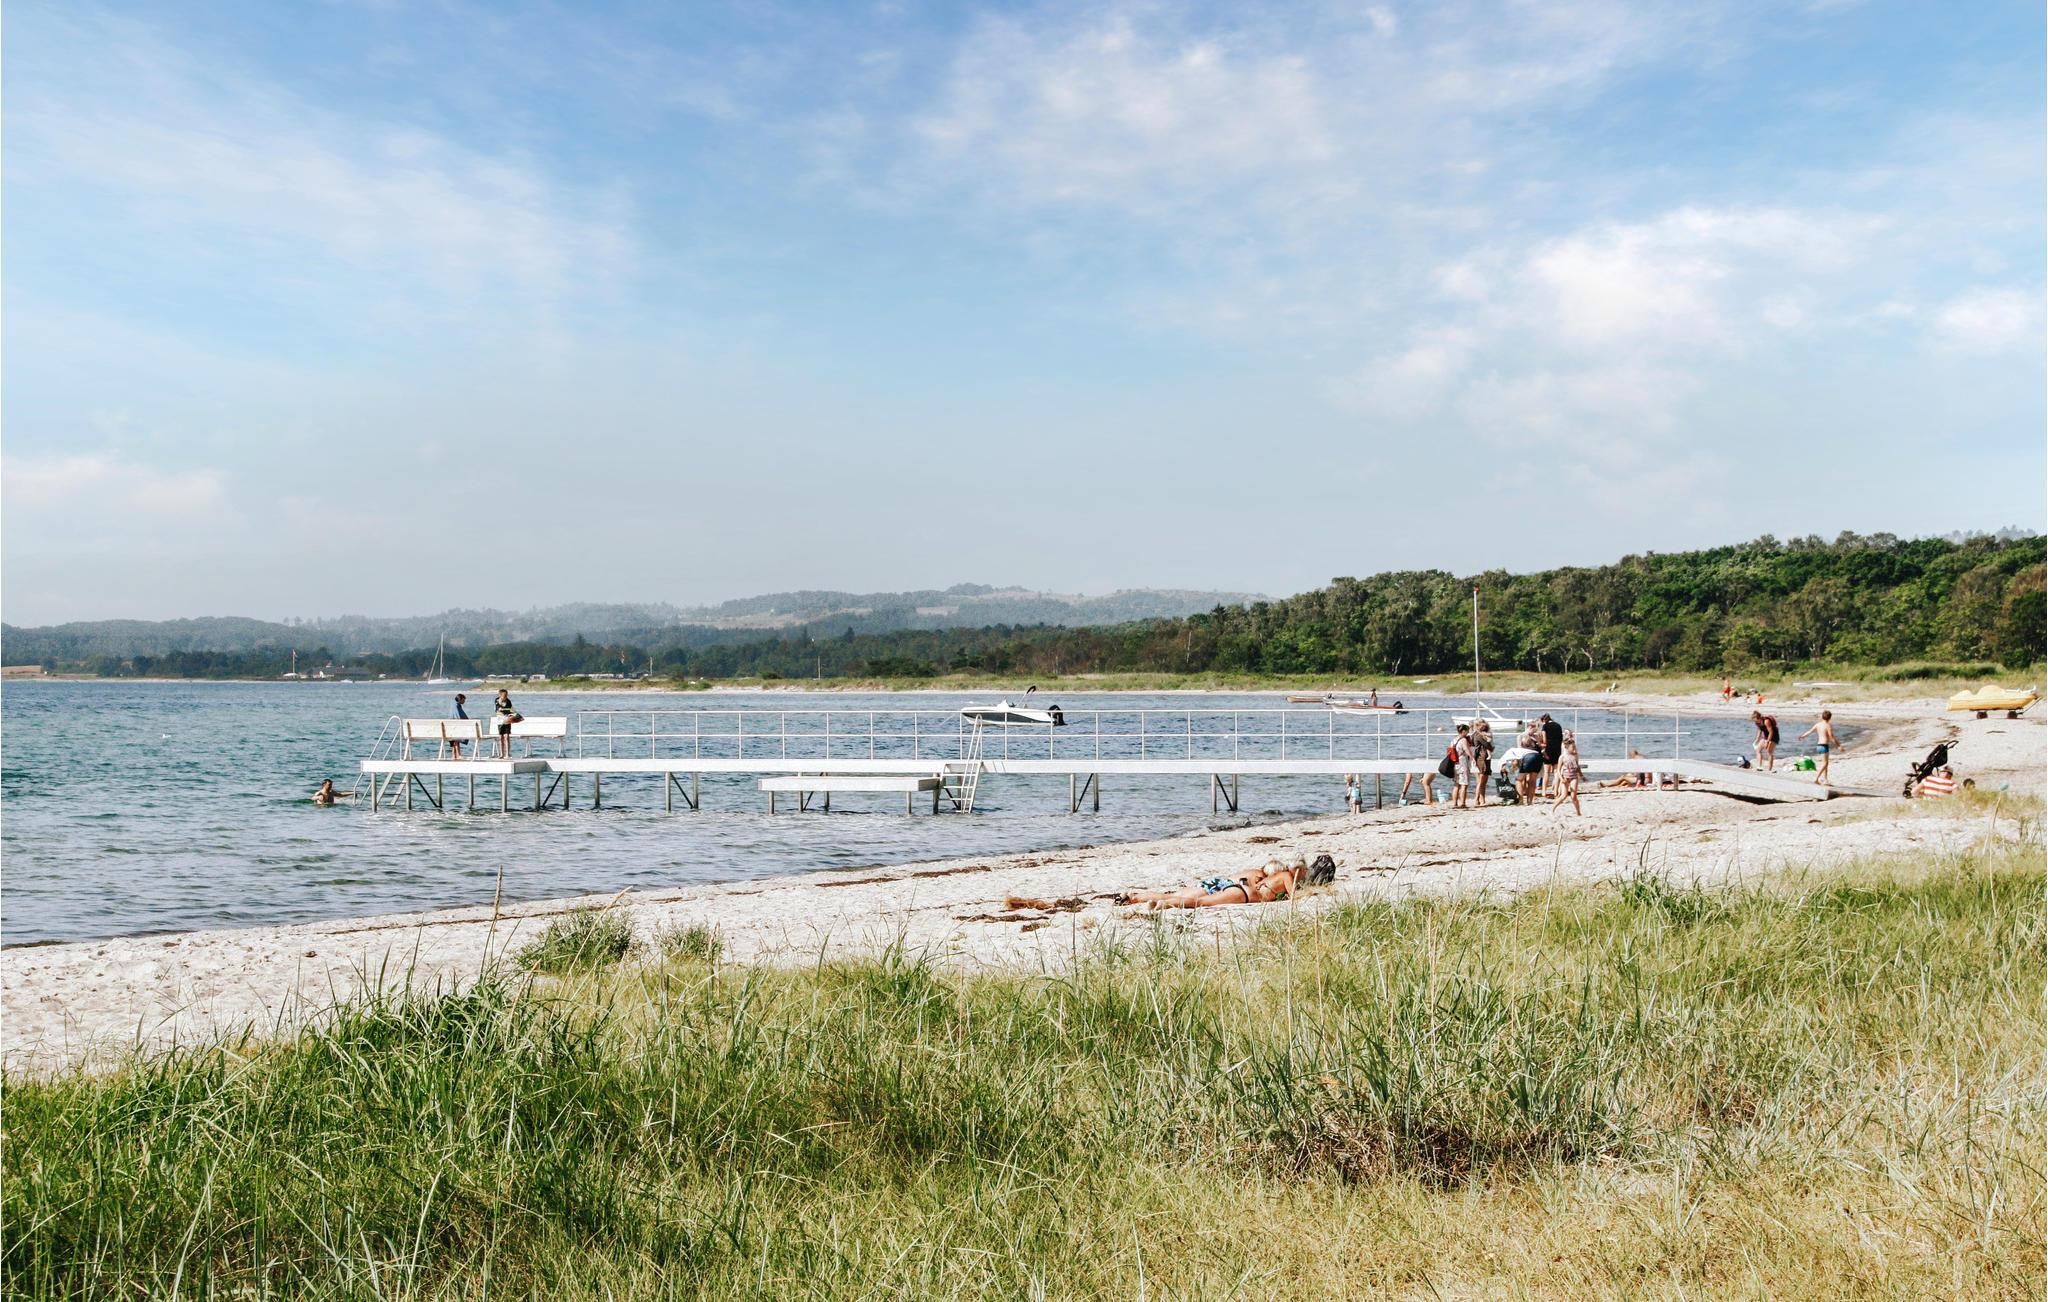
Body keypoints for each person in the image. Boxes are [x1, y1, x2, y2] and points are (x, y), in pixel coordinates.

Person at [1121, 856, 1335, 910]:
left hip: (1237, 887)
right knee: (1200, 903)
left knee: (1186, 897)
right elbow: (1295, 898)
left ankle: (1137, 897)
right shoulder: (1287, 877)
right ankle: (1165, 905)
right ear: (1299, 871)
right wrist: (1312, 893)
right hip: (1245, 895)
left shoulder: (1270, 876)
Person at [1795, 710, 1839, 785]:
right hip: (1824, 745)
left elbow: (1809, 731)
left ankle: (1825, 780)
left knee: (1825, 763)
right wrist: (1838, 745)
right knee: (1825, 763)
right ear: (1830, 718)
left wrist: (1802, 736)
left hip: (1819, 746)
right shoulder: (1828, 725)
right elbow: (1831, 737)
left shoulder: (1818, 724)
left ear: (1822, 716)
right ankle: (1816, 778)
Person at [1549, 732, 1584, 815]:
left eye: (1574, 747)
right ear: (1567, 747)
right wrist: (1561, 778)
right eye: (1572, 747)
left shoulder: (1575, 755)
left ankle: (1578, 812)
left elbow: (1577, 766)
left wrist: (1581, 775)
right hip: (1565, 777)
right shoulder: (1562, 757)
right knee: (1563, 796)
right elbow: (1558, 769)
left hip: (1574, 777)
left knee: (1573, 796)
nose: (1574, 748)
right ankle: (1552, 809)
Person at [1468, 720, 1495, 806]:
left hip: (1481, 758)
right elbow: (1488, 746)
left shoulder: (1475, 735)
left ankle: (1481, 799)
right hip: (1482, 758)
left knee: (1482, 781)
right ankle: (1477, 799)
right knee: (1481, 781)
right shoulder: (1478, 735)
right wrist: (1491, 748)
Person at [1449, 723, 1475, 810]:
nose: (1468, 733)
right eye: (1467, 731)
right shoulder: (1463, 740)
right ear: (1463, 731)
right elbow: (1466, 749)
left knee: (1456, 784)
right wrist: (1472, 757)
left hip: (1455, 763)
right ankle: (1463, 803)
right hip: (1462, 762)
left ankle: (1455, 803)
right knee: (1464, 783)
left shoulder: (1454, 740)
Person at [492, 688, 522, 758]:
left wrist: (503, 709)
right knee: (501, 737)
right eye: (504, 695)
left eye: (506, 695)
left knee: (507, 736)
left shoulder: (508, 701)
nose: (505, 697)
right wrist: (501, 708)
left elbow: (508, 710)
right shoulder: (496, 700)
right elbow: (498, 708)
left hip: (507, 720)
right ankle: (501, 754)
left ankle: (507, 754)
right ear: (500, 695)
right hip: (500, 721)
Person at [1539, 713, 1564, 794]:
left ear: (1544, 720)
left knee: (1547, 772)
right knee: (1556, 772)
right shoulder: (1558, 725)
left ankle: (1544, 791)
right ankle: (1555, 791)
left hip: (1548, 749)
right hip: (1557, 749)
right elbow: (1561, 738)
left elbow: (1544, 740)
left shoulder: (1545, 726)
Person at [450, 692, 471, 759]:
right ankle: (458, 755)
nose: (464, 701)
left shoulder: (454, 705)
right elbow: (459, 716)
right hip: (456, 726)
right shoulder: (457, 706)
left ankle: (454, 755)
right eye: (464, 699)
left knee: (455, 738)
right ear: (460, 699)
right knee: (457, 738)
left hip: (452, 726)